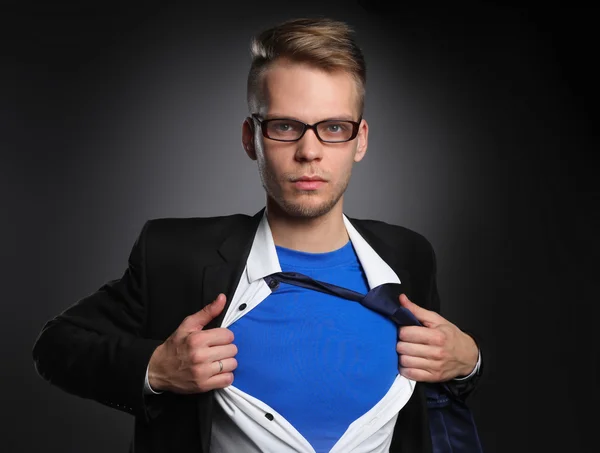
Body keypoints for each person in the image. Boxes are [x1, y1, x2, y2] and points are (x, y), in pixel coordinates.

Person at [32, 17, 483, 453]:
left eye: (333, 128)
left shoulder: (409, 256)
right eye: (285, 127)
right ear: (252, 138)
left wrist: (469, 365)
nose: (309, 152)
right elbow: (56, 347)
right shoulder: (175, 256)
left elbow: (434, 393)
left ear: (359, 140)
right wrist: (156, 369)